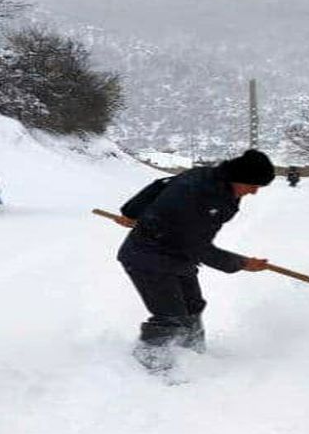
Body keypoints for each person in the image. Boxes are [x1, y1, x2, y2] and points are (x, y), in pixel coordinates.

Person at [115, 149, 275, 373]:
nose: (254, 192)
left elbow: (159, 185)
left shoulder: (207, 177)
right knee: (170, 316)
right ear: (238, 177)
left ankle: (193, 355)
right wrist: (242, 263)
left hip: (176, 255)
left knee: (192, 307)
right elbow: (197, 246)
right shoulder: (202, 195)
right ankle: (152, 366)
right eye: (253, 185)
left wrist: (132, 212)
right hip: (148, 256)